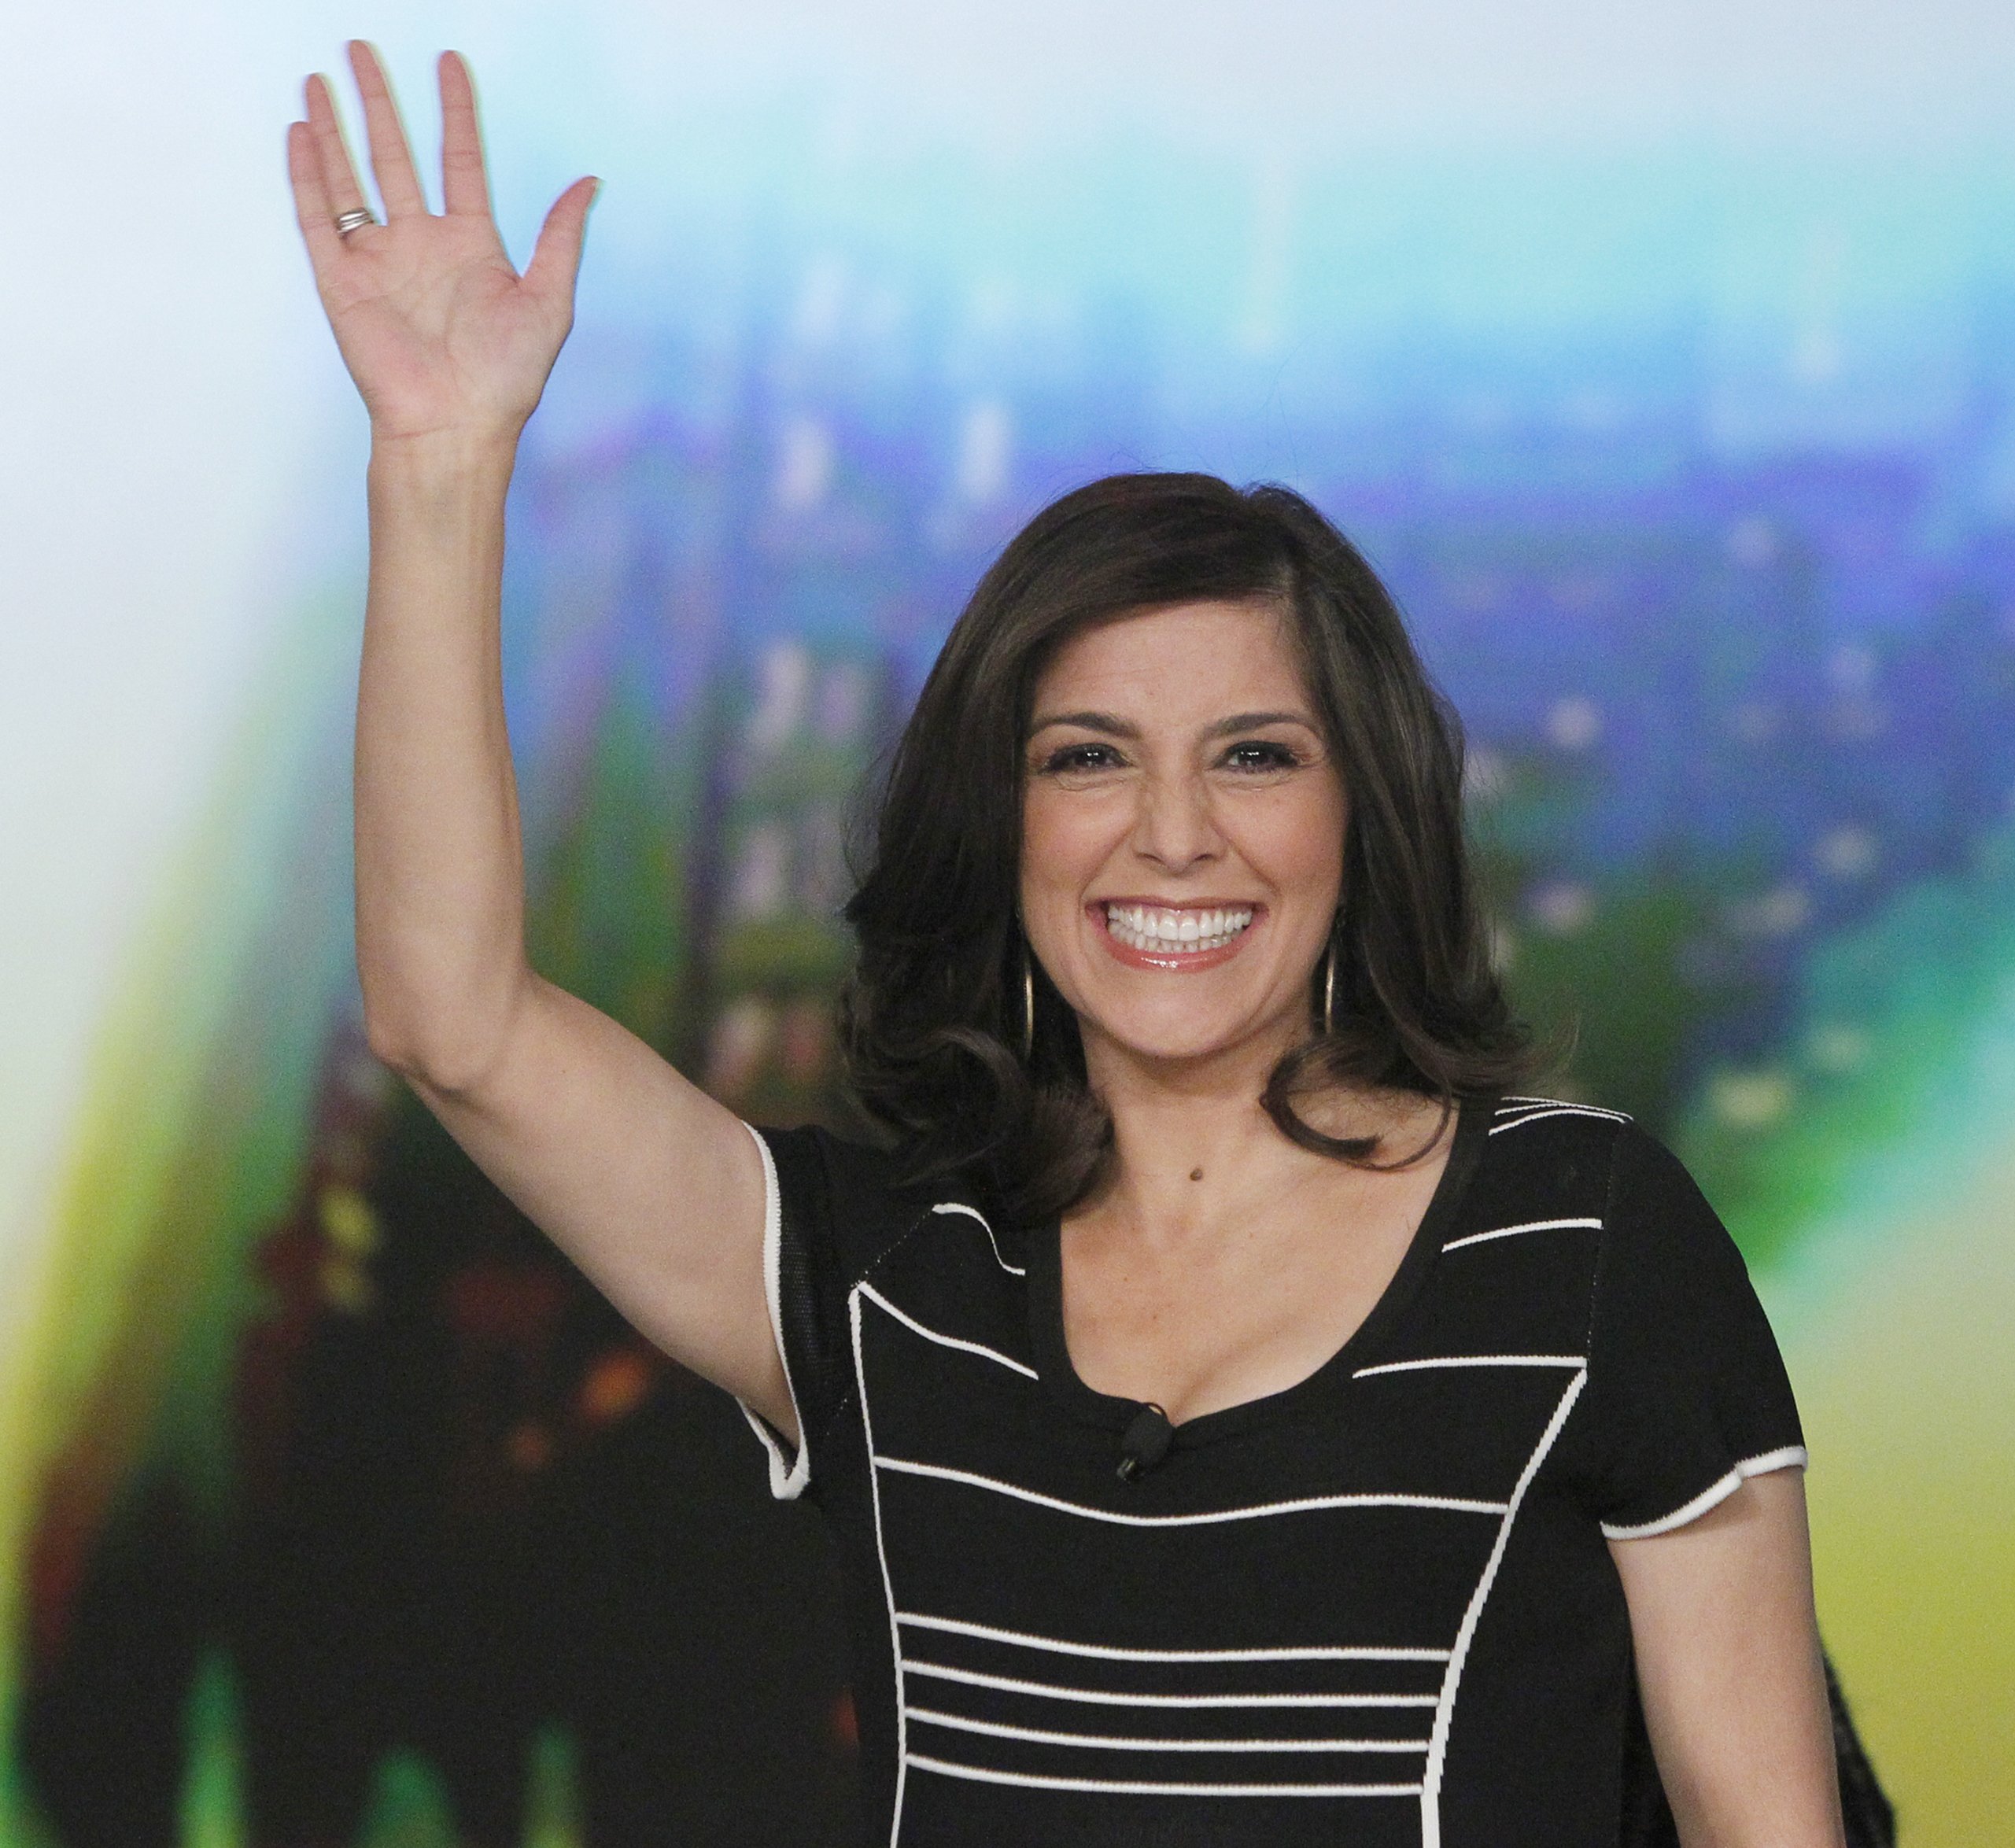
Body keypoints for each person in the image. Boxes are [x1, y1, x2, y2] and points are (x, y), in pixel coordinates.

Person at [288, 43, 1866, 1848]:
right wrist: (439, 459)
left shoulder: (1587, 1244)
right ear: (1006, 823)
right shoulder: (886, 1277)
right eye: (1087, 758)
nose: (1172, 833)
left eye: (1256, 756)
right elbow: (453, 1018)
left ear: (1366, 814)